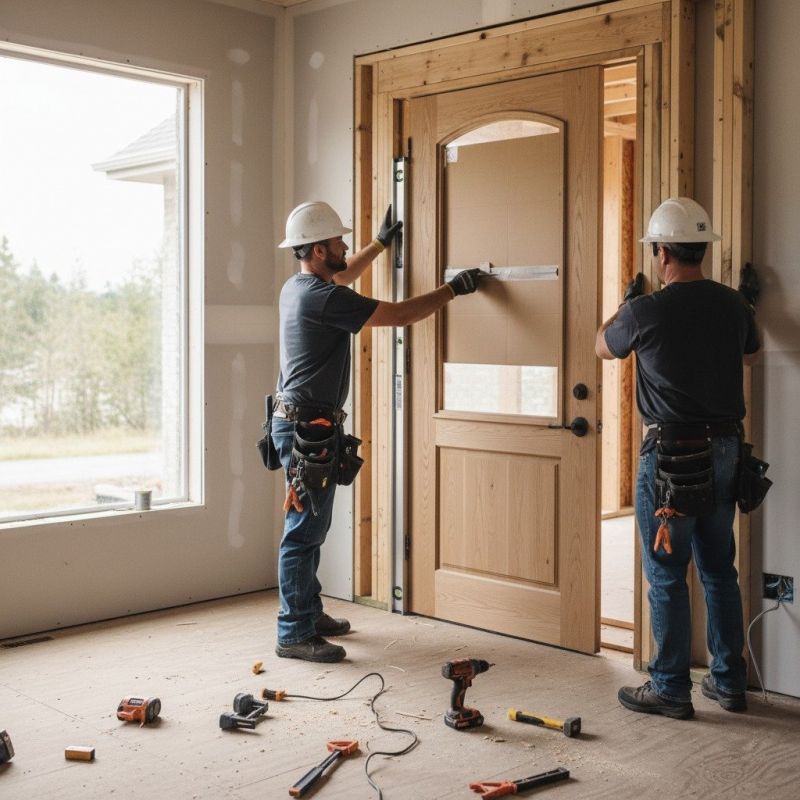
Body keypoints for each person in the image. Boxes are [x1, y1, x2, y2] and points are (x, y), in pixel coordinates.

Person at [271, 201, 482, 663]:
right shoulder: (320, 297)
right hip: (307, 426)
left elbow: (344, 277)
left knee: (312, 525)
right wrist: (452, 289)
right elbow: (402, 315)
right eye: (339, 241)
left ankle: (307, 610)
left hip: (301, 423)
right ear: (317, 248)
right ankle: (293, 632)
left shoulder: (300, 287)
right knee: (303, 530)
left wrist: (379, 245)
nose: (345, 245)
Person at [595, 197, 760, 719]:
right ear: (702, 251)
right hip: (727, 448)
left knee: (666, 572)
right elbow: (752, 354)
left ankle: (669, 687)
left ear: (661, 251)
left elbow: (602, 347)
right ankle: (729, 682)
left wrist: (625, 305)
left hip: (671, 455)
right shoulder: (733, 304)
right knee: (719, 569)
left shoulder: (646, 311)